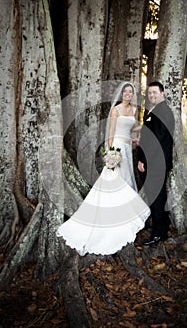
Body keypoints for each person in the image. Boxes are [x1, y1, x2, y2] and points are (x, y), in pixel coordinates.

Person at [57, 82, 150, 256]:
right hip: (117, 148)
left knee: (127, 180)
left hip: (129, 150)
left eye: (131, 92)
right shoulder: (115, 110)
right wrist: (111, 154)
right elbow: (111, 134)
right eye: (126, 92)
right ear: (122, 94)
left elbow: (132, 130)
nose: (128, 94)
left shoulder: (135, 111)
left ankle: (126, 213)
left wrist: (143, 129)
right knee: (114, 181)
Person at [137, 81, 175, 245]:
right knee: (157, 195)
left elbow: (156, 140)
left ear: (163, 93)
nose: (152, 95)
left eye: (155, 92)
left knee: (157, 196)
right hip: (156, 161)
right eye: (150, 93)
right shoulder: (155, 110)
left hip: (155, 162)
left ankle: (160, 233)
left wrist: (143, 160)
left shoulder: (162, 111)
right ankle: (161, 225)